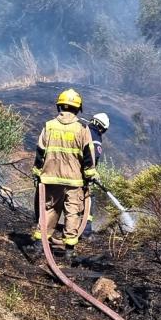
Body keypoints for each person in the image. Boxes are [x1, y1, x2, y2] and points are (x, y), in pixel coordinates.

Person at [31, 88, 98, 258]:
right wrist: (90, 174)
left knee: (49, 210)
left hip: (50, 178)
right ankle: (69, 250)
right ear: (78, 108)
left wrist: (37, 172)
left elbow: (40, 152)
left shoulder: (49, 126)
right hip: (74, 181)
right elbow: (88, 155)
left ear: (59, 106)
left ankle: (39, 245)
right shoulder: (82, 128)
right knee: (72, 212)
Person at [83, 112, 109, 237]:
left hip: (67, 172)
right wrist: (92, 173)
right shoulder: (95, 136)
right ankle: (86, 231)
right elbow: (94, 157)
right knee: (88, 200)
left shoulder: (83, 129)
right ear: (101, 127)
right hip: (82, 176)